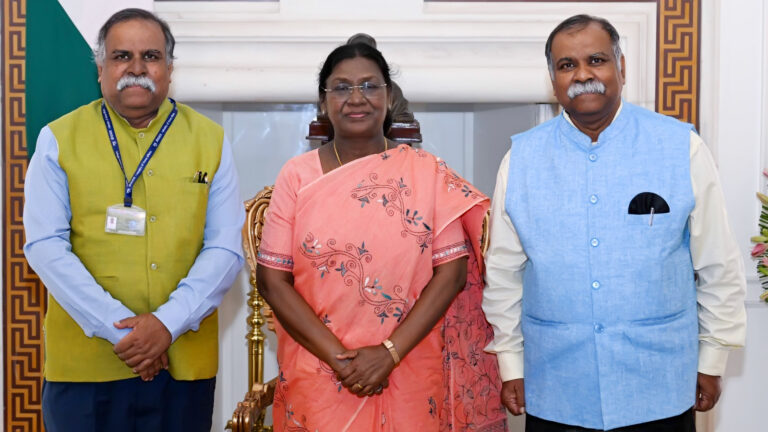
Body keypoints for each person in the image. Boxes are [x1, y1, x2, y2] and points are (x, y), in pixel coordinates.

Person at [482, 14, 746, 432]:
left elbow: (718, 264)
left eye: (597, 60)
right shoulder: (520, 161)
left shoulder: (681, 147)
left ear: (621, 67)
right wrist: (511, 363)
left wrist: (713, 357)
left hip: (660, 384)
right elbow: (502, 274)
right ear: (553, 78)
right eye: (567, 65)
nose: (583, 75)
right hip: (557, 386)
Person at [257, 42, 507, 431]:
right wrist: (341, 360)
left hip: (407, 363)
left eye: (370, 86)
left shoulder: (426, 173)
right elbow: (272, 280)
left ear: (389, 96)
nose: (356, 98)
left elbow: (452, 274)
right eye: (341, 88)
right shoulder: (297, 176)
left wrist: (388, 354)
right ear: (323, 103)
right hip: (318, 367)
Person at [23, 8, 244, 432]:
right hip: (85, 368)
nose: (137, 69)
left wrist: (166, 324)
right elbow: (45, 246)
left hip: (182, 365)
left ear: (170, 68)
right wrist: (121, 332)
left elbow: (225, 248)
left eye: (152, 56)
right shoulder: (56, 139)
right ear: (101, 67)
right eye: (122, 56)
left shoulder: (211, 141)